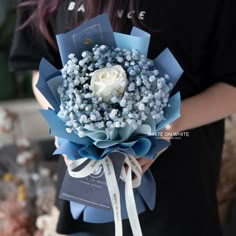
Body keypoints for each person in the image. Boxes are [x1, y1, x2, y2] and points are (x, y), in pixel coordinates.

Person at [9, 0, 236, 235]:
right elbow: (40, 66)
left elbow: (232, 84)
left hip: (179, 195)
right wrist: (68, 122)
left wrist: (170, 124)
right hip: (84, 187)